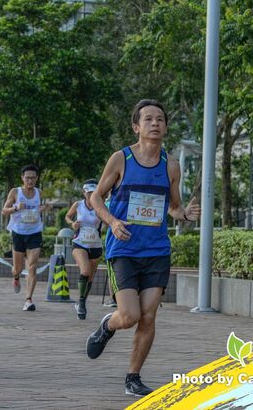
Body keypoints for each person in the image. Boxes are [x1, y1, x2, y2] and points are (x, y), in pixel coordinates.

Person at [85, 99, 201, 396]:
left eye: (160, 119)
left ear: (166, 127)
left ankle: (133, 378)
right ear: (136, 127)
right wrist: (112, 221)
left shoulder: (171, 165)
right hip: (123, 249)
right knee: (130, 316)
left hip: (157, 251)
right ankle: (108, 326)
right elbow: (96, 197)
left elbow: (173, 207)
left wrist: (184, 214)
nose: (155, 123)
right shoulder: (121, 159)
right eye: (148, 119)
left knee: (148, 316)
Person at [1, 164, 50, 312]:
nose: (30, 181)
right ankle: (16, 278)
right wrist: (16, 208)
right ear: (22, 178)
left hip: (35, 232)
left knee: (32, 266)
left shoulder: (39, 192)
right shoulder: (15, 192)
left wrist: (44, 208)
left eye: (33, 178)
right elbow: (4, 211)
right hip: (18, 233)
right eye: (27, 178)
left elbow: (41, 208)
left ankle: (28, 299)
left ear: (37, 178)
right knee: (17, 268)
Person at [64, 179, 104, 320]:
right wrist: (72, 223)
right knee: (85, 271)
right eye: (88, 192)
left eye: (93, 192)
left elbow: (109, 220)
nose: (90, 195)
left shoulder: (101, 206)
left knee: (90, 277)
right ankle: (81, 303)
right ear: (84, 193)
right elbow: (68, 216)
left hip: (95, 245)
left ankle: (82, 301)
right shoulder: (78, 205)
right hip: (80, 243)